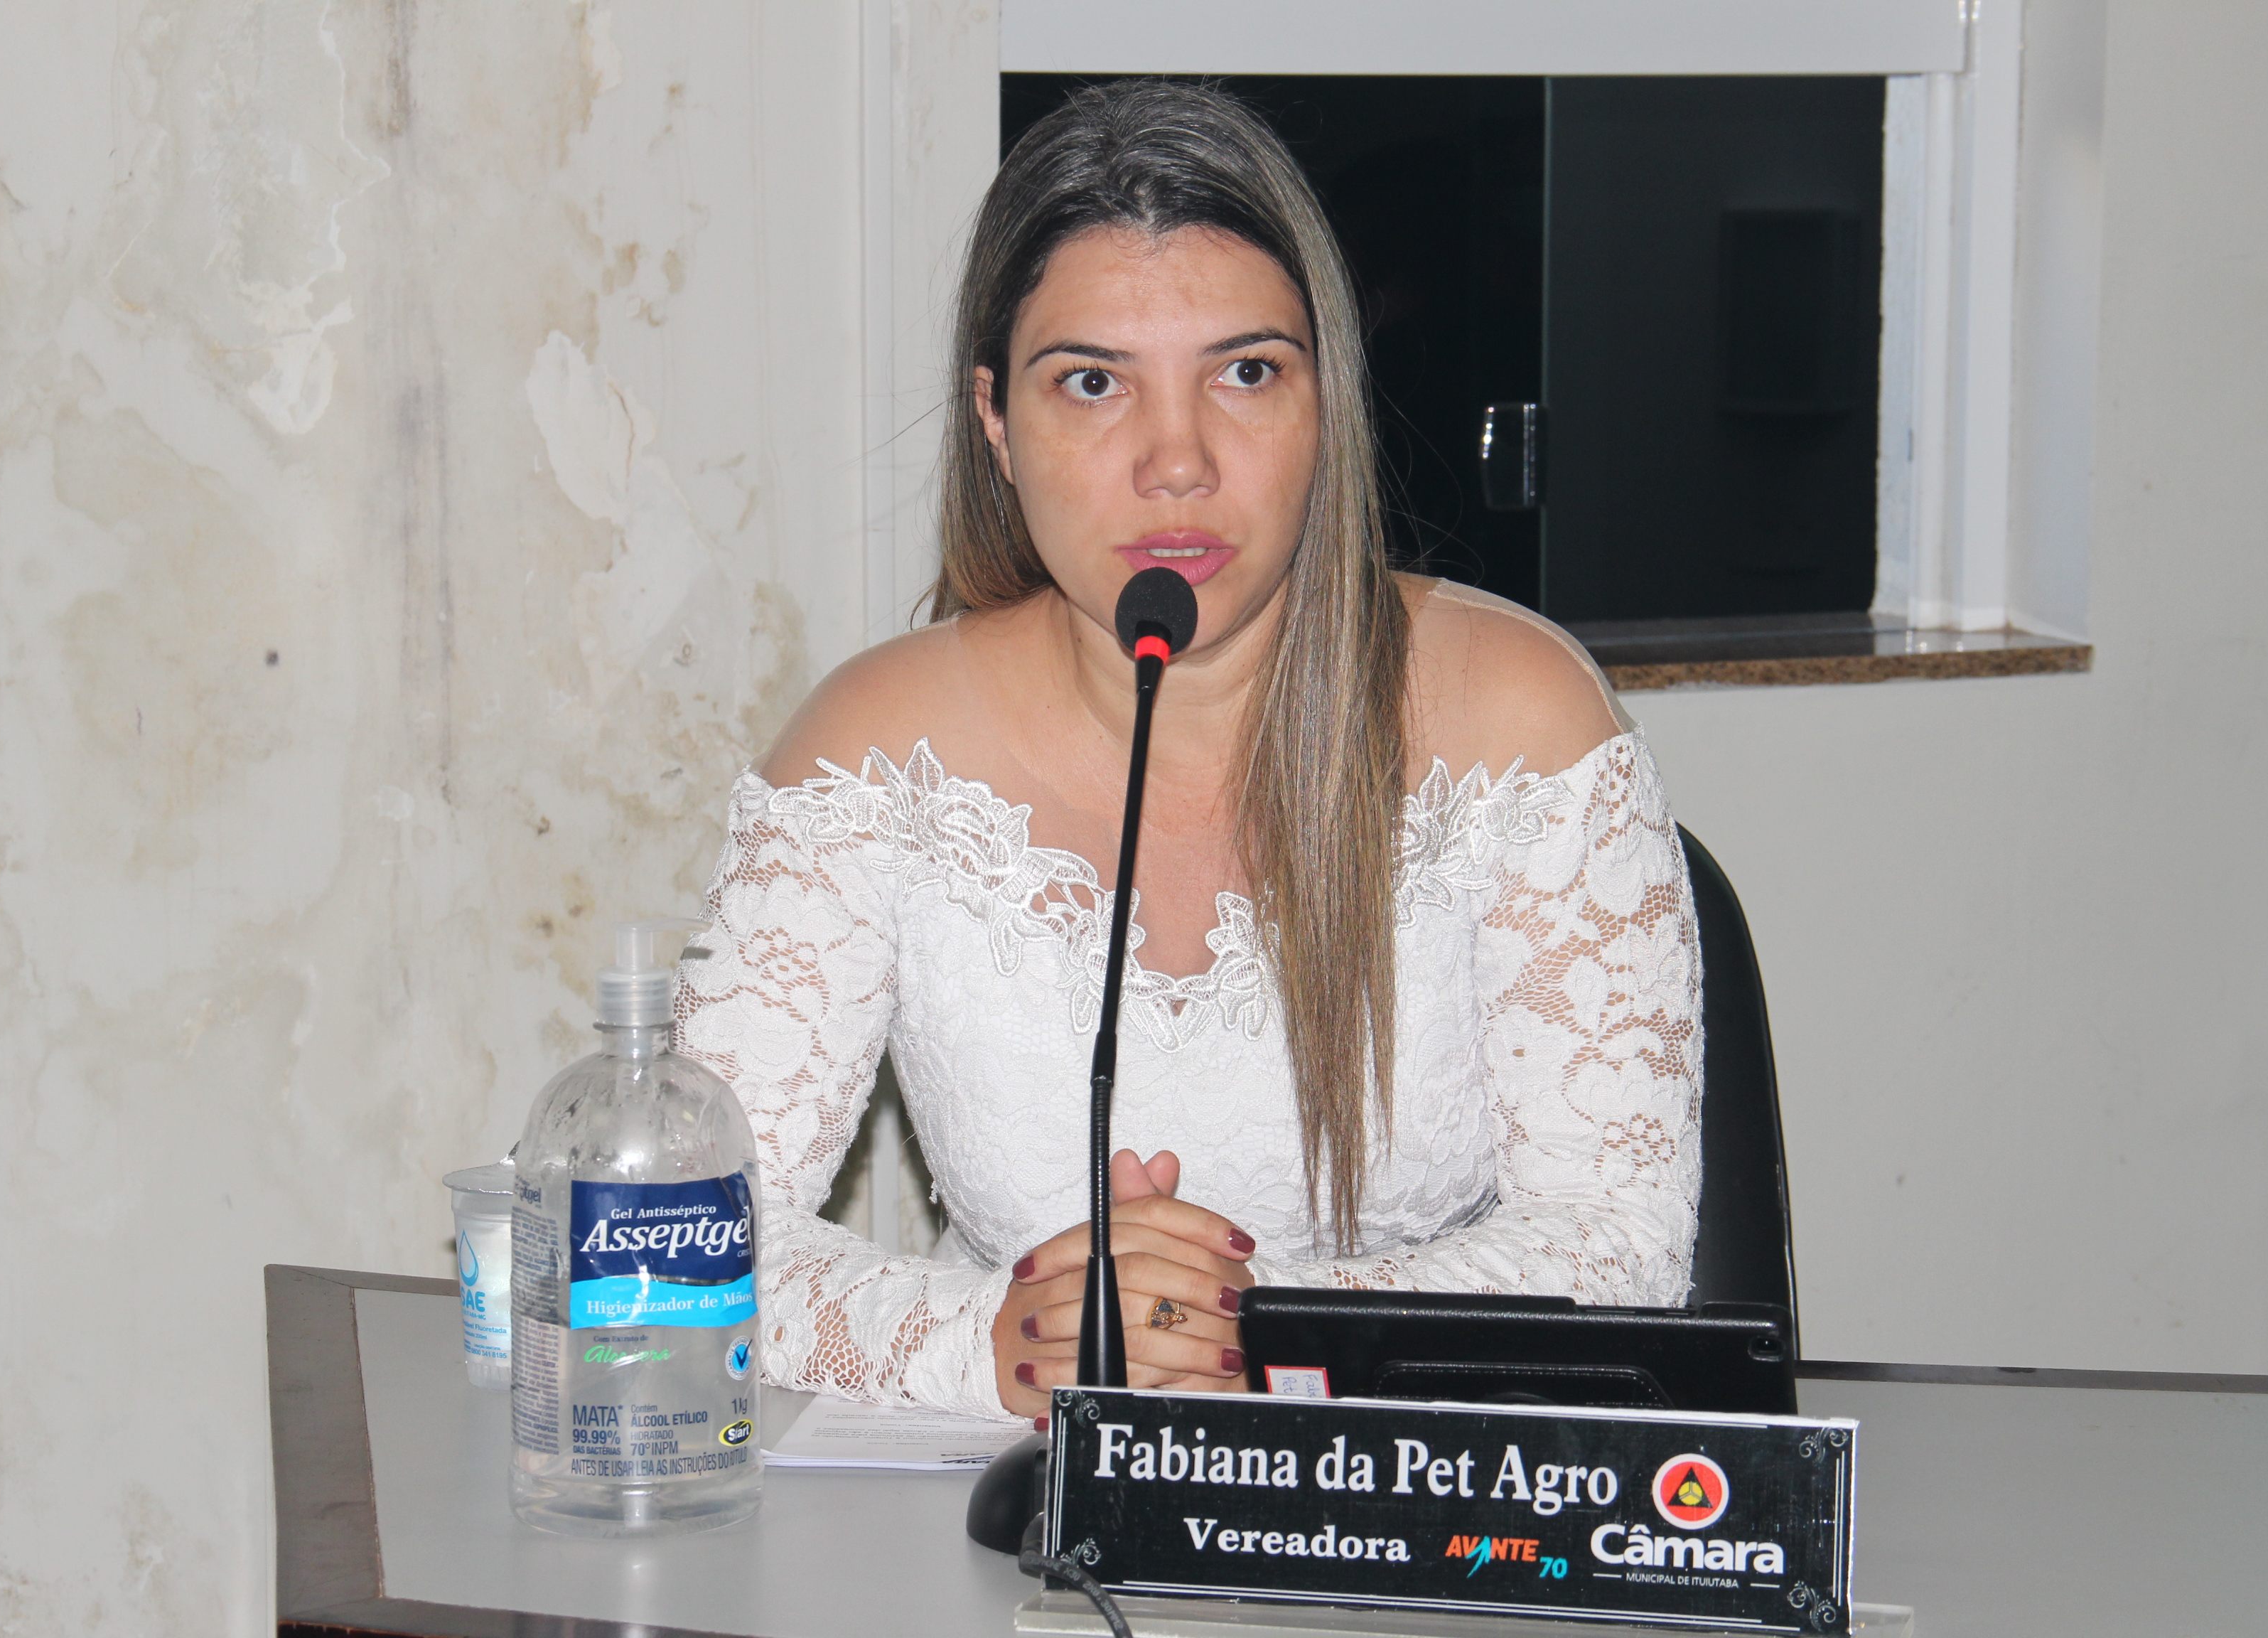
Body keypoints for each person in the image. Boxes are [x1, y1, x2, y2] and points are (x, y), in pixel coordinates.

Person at [675, 80, 1701, 1425]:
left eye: (1246, 373)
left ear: (1327, 401)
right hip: (1009, 1496)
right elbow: (678, 1239)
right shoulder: (872, 755)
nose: (1177, 462)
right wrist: (998, 1341)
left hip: (1415, 1483)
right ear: (995, 422)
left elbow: (1622, 1252)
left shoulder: (1526, 720)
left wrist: (1247, 1330)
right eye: (1093, 383)